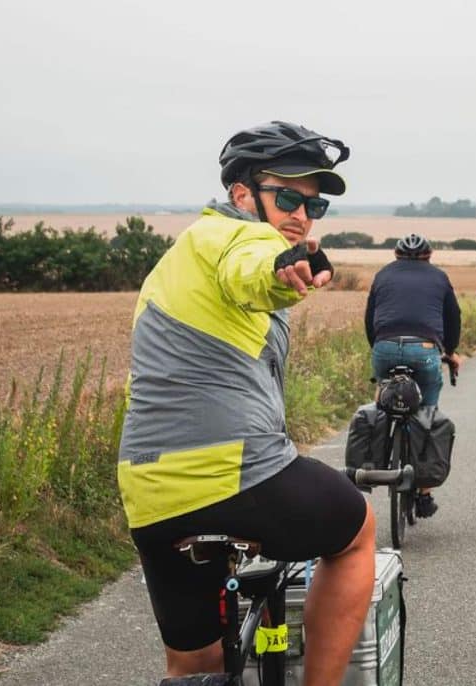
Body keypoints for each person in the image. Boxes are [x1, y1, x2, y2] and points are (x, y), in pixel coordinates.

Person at [118, 121, 377, 686]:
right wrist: (284, 271)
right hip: (235, 473)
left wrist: (284, 269)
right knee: (357, 531)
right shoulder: (244, 239)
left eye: (314, 205)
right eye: (287, 197)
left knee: (193, 663)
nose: (301, 215)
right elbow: (256, 271)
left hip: (149, 490)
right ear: (242, 195)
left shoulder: (178, 260)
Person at [365, 232, 462, 518]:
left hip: (384, 347)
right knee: (427, 412)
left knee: (382, 398)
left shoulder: (382, 275)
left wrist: (380, 348)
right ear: (429, 256)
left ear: (396, 256)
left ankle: (374, 460)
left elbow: (370, 319)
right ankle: (424, 494)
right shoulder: (439, 277)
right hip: (424, 349)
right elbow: (452, 319)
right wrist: (451, 351)